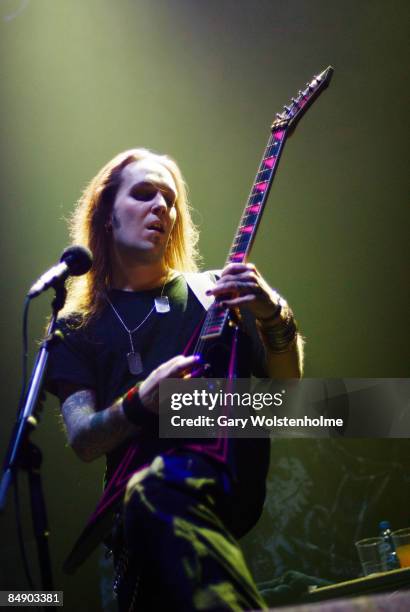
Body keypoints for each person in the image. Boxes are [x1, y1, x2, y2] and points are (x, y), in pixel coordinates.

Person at [47, 148, 303, 611]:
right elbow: (83, 439)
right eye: (144, 194)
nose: (160, 207)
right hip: (139, 535)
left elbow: (289, 397)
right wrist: (141, 401)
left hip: (238, 513)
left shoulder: (214, 292)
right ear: (106, 214)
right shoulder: (75, 326)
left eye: (169, 199)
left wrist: (272, 315)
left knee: (365, 406)